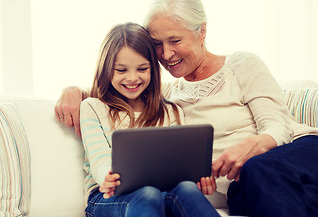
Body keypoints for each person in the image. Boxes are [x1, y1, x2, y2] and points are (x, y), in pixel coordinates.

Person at [55, 0, 318, 217]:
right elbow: (124, 86)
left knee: (257, 168)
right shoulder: (168, 95)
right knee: (251, 190)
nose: (166, 53)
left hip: (306, 158)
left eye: (175, 40)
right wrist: (75, 90)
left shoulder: (241, 64)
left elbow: (278, 124)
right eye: (157, 43)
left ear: (202, 32)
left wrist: (251, 147)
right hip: (252, 188)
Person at [78, 22, 220, 217]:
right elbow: (99, 158)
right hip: (106, 197)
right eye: (121, 70)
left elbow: (179, 164)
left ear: (153, 69)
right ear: (106, 69)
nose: (132, 78)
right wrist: (107, 176)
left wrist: (197, 179)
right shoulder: (93, 108)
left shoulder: (170, 111)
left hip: (161, 193)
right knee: (147, 194)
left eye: (142, 69)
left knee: (186, 189)